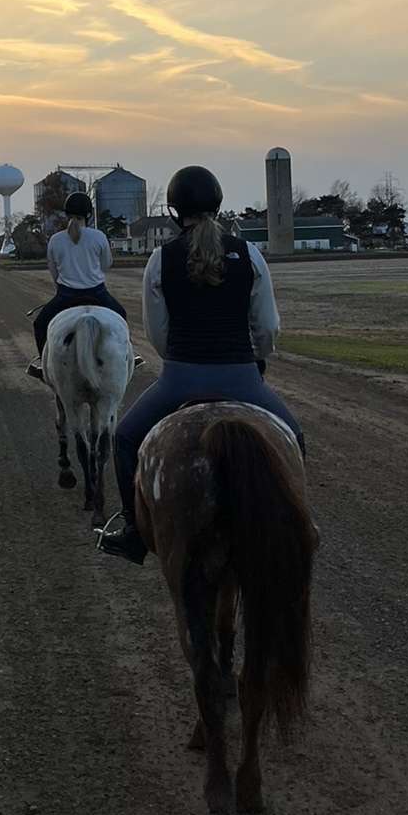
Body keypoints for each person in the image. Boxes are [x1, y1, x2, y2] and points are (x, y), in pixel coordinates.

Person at [98, 166, 304, 565]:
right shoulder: (249, 254)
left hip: (180, 379)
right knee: (293, 436)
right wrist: (256, 357)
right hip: (243, 378)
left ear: (174, 211)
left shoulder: (160, 258)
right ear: (218, 203)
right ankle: (298, 521)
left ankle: (133, 533)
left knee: (124, 439)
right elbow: (267, 326)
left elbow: (157, 332)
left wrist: (178, 357)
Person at [26, 190, 128, 381]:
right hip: (98, 293)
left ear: (66, 214)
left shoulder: (56, 240)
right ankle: (128, 357)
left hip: (66, 295)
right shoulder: (98, 237)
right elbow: (107, 265)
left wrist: (63, 285)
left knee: (40, 324)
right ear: (89, 214)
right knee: (121, 314)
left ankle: (42, 364)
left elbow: (54, 271)